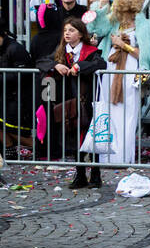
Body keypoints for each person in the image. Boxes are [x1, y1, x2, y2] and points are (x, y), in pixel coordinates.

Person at [87, 0, 150, 168]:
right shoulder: (113, 22)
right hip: (110, 71)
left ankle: (123, 157)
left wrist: (123, 44)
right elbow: (93, 28)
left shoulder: (145, 26)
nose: (125, 9)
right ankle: (106, 156)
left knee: (128, 114)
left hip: (131, 71)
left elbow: (145, 55)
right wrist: (102, 6)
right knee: (108, 112)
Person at [35, 16, 105, 187]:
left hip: (86, 100)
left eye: (71, 30)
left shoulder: (91, 51)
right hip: (69, 100)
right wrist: (55, 66)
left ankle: (96, 174)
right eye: (65, 30)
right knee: (73, 137)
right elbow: (41, 61)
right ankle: (80, 174)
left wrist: (80, 66)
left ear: (80, 34)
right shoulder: (60, 50)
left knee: (91, 136)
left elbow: (100, 64)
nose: (67, 33)